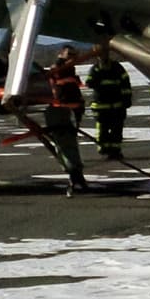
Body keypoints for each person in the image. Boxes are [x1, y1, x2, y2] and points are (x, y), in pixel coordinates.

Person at [40, 47, 88, 193]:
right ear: (61, 55)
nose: (72, 58)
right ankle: (74, 173)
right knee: (65, 142)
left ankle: (75, 173)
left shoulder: (69, 71)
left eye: (75, 55)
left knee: (67, 143)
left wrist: (78, 107)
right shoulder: (59, 69)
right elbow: (60, 90)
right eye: (70, 55)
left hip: (67, 110)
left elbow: (75, 90)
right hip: (59, 110)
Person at [87, 57, 133, 159]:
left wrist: (127, 99)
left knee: (117, 129)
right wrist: (99, 75)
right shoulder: (95, 69)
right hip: (101, 106)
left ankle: (115, 151)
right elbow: (89, 83)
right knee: (103, 129)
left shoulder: (118, 68)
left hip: (117, 105)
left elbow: (126, 83)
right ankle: (104, 148)